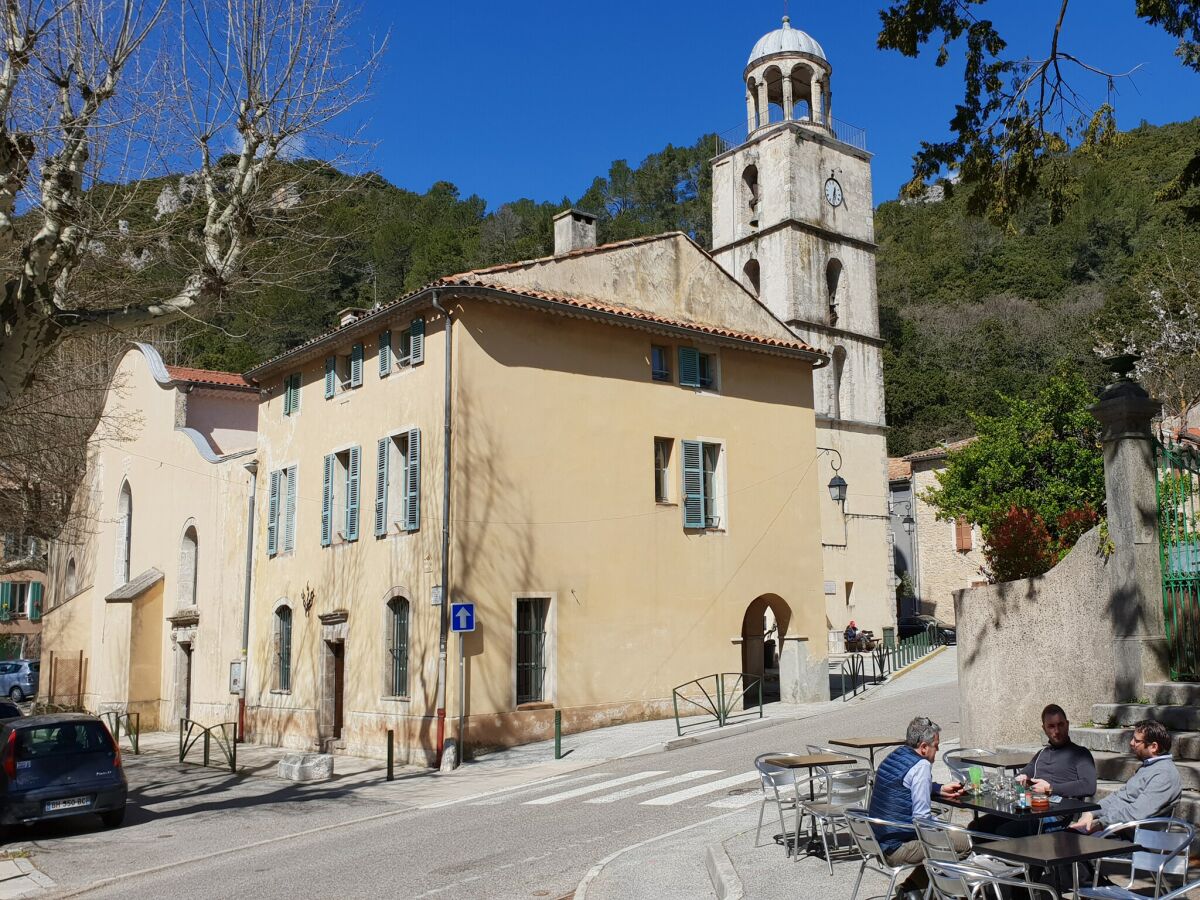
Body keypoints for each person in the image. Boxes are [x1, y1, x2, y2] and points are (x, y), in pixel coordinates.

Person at [867, 716, 966, 898]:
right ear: (923, 747)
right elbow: (922, 820)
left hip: (878, 841)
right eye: (936, 746)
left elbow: (902, 785)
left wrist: (938, 788)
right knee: (964, 842)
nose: (937, 750)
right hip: (898, 847)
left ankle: (913, 891)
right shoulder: (921, 766)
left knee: (950, 837)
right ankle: (952, 892)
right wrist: (943, 827)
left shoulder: (895, 755)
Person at [973, 703, 1096, 837]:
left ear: (1067, 724)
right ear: (1044, 729)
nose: (1057, 731)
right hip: (1029, 808)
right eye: (1051, 726)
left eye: (1060, 724)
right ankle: (985, 857)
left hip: (1055, 817)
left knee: (1004, 832)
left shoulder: (1080, 754)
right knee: (977, 827)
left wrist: (1050, 788)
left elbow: (1089, 786)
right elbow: (1023, 774)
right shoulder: (1041, 754)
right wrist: (1021, 779)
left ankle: (997, 857)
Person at [1071, 719, 1182, 833]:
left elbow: (1136, 813)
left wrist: (1100, 824)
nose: (1131, 743)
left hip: (1132, 839)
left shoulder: (1165, 775)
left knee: (1070, 842)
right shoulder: (1149, 767)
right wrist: (1092, 812)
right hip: (1115, 830)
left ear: (1153, 747)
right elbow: (1119, 797)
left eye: (1137, 741)